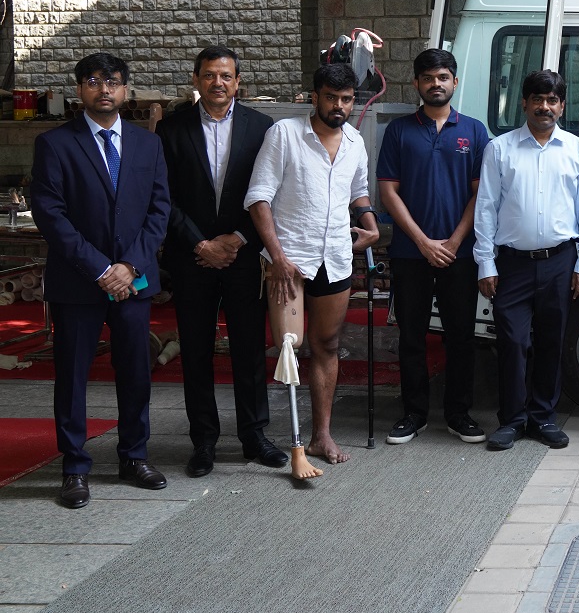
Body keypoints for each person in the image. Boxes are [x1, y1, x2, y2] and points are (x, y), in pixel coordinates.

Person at [32, 53, 171, 509]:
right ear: (79, 90)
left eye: (112, 82)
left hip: (133, 281)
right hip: (79, 282)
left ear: (126, 89)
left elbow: (159, 211)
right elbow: (51, 215)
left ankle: (134, 456)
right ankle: (74, 465)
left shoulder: (147, 145)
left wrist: (130, 266)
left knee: (136, 371)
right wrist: (100, 269)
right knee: (72, 375)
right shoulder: (55, 144)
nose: (104, 89)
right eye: (93, 81)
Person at [247, 63, 381, 467]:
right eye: (330, 98)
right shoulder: (284, 134)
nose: (338, 106)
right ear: (314, 96)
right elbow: (259, 198)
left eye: (346, 99)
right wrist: (278, 258)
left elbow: (358, 194)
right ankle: (293, 443)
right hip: (288, 260)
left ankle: (321, 435)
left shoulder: (356, 141)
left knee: (327, 345)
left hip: (336, 259)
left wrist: (371, 228)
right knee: (290, 344)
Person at [158, 46, 284, 477]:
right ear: (196, 79)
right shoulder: (171, 130)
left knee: (249, 348)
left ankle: (254, 435)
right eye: (210, 75)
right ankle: (204, 441)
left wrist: (237, 238)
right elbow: (164, 198)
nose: (218, 83)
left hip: (243, 256)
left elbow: (273, 192)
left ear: (238, 82)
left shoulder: (263, 128)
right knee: (195, 351)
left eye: (226, 76)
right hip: (192, 258)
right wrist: (201, 244)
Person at [474, 69, 579, 452]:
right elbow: (486, 208)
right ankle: (512, 420)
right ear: (524, 103)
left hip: (560, 261)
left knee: (551, 341)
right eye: (537, 99)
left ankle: (543, 417)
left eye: (552, 100)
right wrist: (486, 263)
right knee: (512, 342)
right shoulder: (500, 149)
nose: (544, 107)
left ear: (562, 106)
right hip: (511, 263)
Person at [377, 49, 489, 446]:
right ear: (417, 84)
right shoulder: (399, 131)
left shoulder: (475, 131)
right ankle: (413, 414)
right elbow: (388, 191)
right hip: (411, 254)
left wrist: (455, 241)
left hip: (460, 254)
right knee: (411, 335)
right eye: (427, 78)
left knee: (461, 336)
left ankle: (459, 414)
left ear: (454, 82)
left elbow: (481, 194)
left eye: (442, 77)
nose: (435, 84)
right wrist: (424, 242)